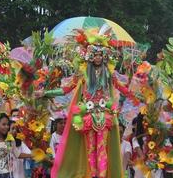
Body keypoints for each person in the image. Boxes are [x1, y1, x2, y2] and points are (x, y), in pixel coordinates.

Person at [36, 28, 139, 178]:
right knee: (90, 148)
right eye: (95, 54)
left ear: (104, 56)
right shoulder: (83, 75)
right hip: (87, 115)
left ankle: (102, 176)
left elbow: (121, 88)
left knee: (102, 147)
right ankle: (92, 175)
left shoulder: (108, 74)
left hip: (105, 114)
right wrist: (45, 92)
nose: (97, 58)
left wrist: (136, 95)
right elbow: (66, 89)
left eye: (100, 54)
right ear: (89, 56)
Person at [0, 113, 30, 178]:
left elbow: (17, 155)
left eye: (7, 124)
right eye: (4, 124)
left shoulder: (10, 140)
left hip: (8, 174)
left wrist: (32, 155)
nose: (7, 127)